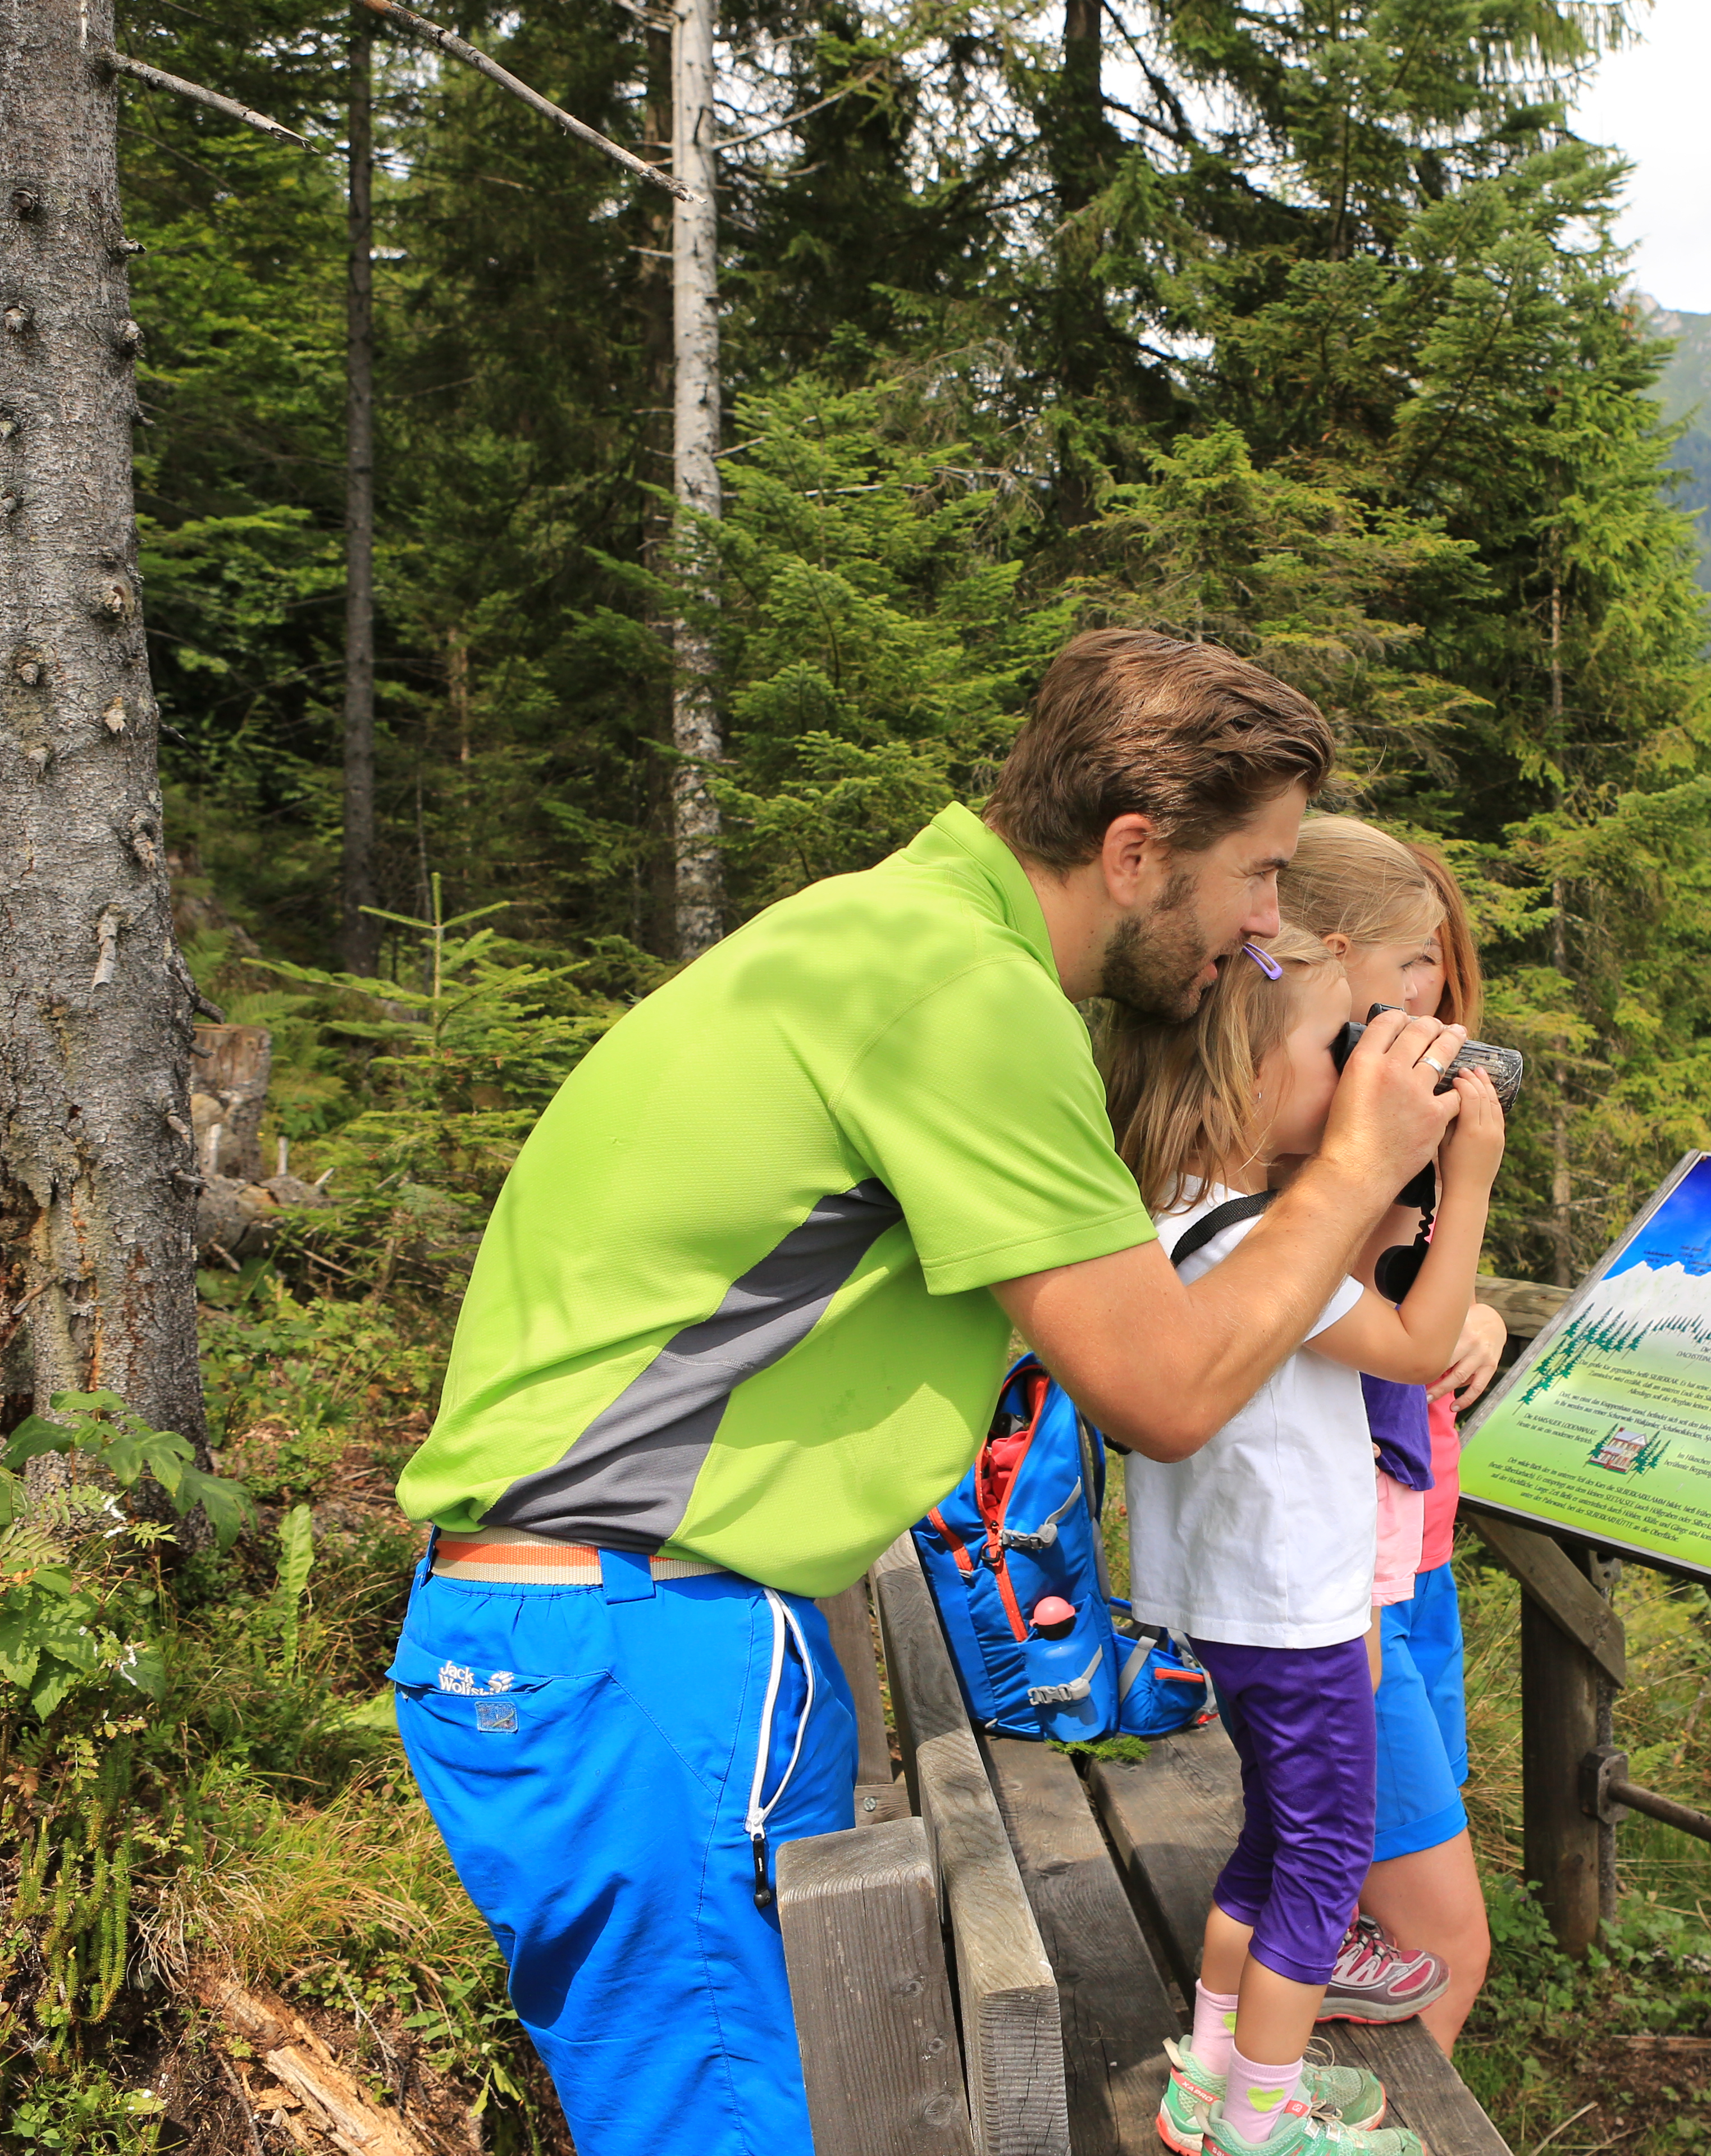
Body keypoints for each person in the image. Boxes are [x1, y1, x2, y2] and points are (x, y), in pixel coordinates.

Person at [385, 628, 1476, 2156]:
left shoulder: (878, 935)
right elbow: (1165, 1387)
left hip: (621, 1635)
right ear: (1135, 848)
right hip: (639, 1645)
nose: (1269, 923)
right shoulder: (963, 995)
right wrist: (1363, 1164)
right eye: (1259, 875)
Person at [1099, 925, 1504, 2156]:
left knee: (1275, 1839)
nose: (1362, 1071)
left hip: (1234, 1598)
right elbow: (1422, 1346)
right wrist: (1468, 1176)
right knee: (1325, 1869)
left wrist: (1370, 1186)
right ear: (1253, 1083)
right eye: (1339, 1049)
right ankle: (1261, 2123)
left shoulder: (1181, 1214)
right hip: (1297, 1604)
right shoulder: (1263, 1245)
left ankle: (1211, 2076)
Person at [1277, 820, 1499, 2053]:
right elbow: (1366, 1331)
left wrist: (1484, 1303)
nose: (1434, 999)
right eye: (1417, 964)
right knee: (1441, 1944)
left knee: (1363, 1925)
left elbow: (1410, 1313)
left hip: (1410, 1558)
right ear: (1340, 952)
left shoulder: (1363, 1134)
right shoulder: (1297, 1152)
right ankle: (1287, 2115)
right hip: (1345, 1582)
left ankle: (1267, 2102)